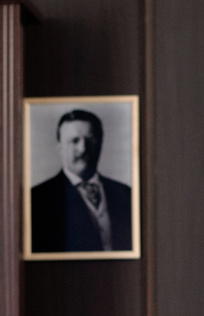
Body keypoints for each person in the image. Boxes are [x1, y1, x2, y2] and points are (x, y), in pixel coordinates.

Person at [30, 108, 133, 252]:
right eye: (75, 141)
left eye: (90, 140)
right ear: (59, 146)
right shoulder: (37, 199)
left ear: (100, 143)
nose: (83, 148)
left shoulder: (126, 194)